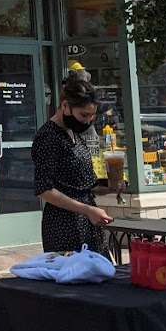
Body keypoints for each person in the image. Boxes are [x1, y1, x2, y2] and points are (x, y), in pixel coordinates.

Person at [32, 71, 113, 253]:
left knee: (99, 268)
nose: (87, 121)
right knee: (75, 269)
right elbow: (44, 189)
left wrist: (110, 186)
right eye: (83, 115)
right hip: (63, 225)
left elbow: (80, 184)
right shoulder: (48, 137)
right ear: (65, 106)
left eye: (91, 116)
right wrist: (87, 210)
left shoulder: (73, 132)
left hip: (87, 221)